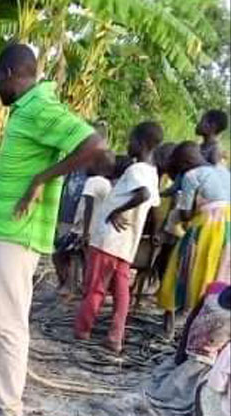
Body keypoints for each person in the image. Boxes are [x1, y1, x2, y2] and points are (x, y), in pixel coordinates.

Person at [0, 43, 105, 416]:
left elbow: (94, 143)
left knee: (11, 321)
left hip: (19, 233)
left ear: (8, 75)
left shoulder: (40, 107)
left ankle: (10, 404)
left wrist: (40, 180)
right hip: (4, 228)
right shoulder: (25, 108)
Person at [74, 121, 164, 353]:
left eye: (131, 139)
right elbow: (153, 204)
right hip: (127, 245)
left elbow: (142, 195)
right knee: (122, 291)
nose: (128, 144)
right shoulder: (153, 174)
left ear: (142, 143)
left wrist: (116, 210)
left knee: (95, 287)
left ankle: (83, 330)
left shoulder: (136, 170)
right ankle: (115, 336)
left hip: (108, 240)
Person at [158, 141, 231, 321]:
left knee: (187, 265)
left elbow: (185, 212)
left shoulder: (191, 175)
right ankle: (212, 314)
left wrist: (179, 216)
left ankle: (188, 310)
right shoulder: (223, 171)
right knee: (219, 270)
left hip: (205, 227)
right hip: (227, 227)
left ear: (184, 164)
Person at [145, 283, 230, 415]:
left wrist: (180, 354)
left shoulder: (215, 288)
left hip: (188, 353)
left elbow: (190, 321)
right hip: (204, 366)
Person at [52, 149, 115, 296]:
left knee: (59, 254)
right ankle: (86, 289)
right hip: (93, 232)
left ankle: (67, 285)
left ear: (97, 165)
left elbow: (88, 206)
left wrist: (85, 232)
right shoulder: (107, 183)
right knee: (86, 261)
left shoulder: (92, 181)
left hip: (82, 232)